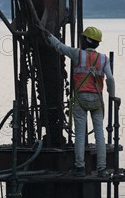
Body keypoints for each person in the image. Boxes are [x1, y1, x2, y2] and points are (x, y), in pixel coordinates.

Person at [45, 26, 115, 177]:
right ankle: (102, 169)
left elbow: (60, 47)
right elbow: (110, 78)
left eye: (82, 38)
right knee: (100, 135)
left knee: (80, 134)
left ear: (85, 40)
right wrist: (112, 95)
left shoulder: (78, 54)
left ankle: (80, 168)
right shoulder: (104, 59)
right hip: (97, 99)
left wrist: (48, 34)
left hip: (81, 99)